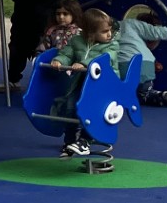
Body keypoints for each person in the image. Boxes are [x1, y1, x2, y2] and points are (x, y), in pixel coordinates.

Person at [45, 9, 124, 166]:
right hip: (81, 81)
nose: (109, 35)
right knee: (69, 106)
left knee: (93, 110)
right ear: (90, 33)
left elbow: (105, 59)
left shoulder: (111, 45)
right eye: (104, 31)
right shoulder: (77, 41)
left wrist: (84, 63)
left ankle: (85, 141)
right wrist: (59, 60)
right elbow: (67, 53)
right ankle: (69, 141)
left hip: (104, 85)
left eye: (110, 30)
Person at [3, 0, 66, 91]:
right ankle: (47, 83)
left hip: (28, 22)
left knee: (18, 50)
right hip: (47, 23)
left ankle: (14, 80)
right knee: (44, 51)